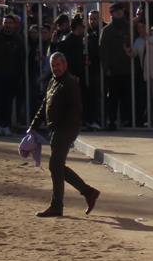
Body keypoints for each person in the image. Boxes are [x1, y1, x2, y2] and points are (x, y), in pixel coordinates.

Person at [27, 52, 100, 218]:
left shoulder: (70, 83)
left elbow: (75, 110)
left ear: (65, 65)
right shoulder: (52, 82)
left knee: (55, 165)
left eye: (58, 65)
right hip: (55, 130)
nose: (56, 68)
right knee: (57, 166)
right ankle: (88, 192)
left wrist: (63, 130)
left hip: (65, 129)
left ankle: (57, 205)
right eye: (53, 65)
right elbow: (44, 105)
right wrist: (33, 126)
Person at [99, 3, 133, 129]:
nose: (119, 13)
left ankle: (127, 120)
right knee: (112, 97)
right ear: (112, 14)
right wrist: (106, 68)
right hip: (113, 70)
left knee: (127, 96)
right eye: (116, 11)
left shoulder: (129, 27)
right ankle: (111, 121)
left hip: (128, 68)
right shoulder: (107, 30)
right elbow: (103, 50)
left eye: (121, 11)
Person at [0, 14, 25, 135]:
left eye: (10, 23)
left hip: (12, 77)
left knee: (8, 102)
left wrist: (19, 76)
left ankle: (6, 125)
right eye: (6, 22)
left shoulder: (18, 40)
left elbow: (22, 59)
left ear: (14, 25)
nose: (8, 25)